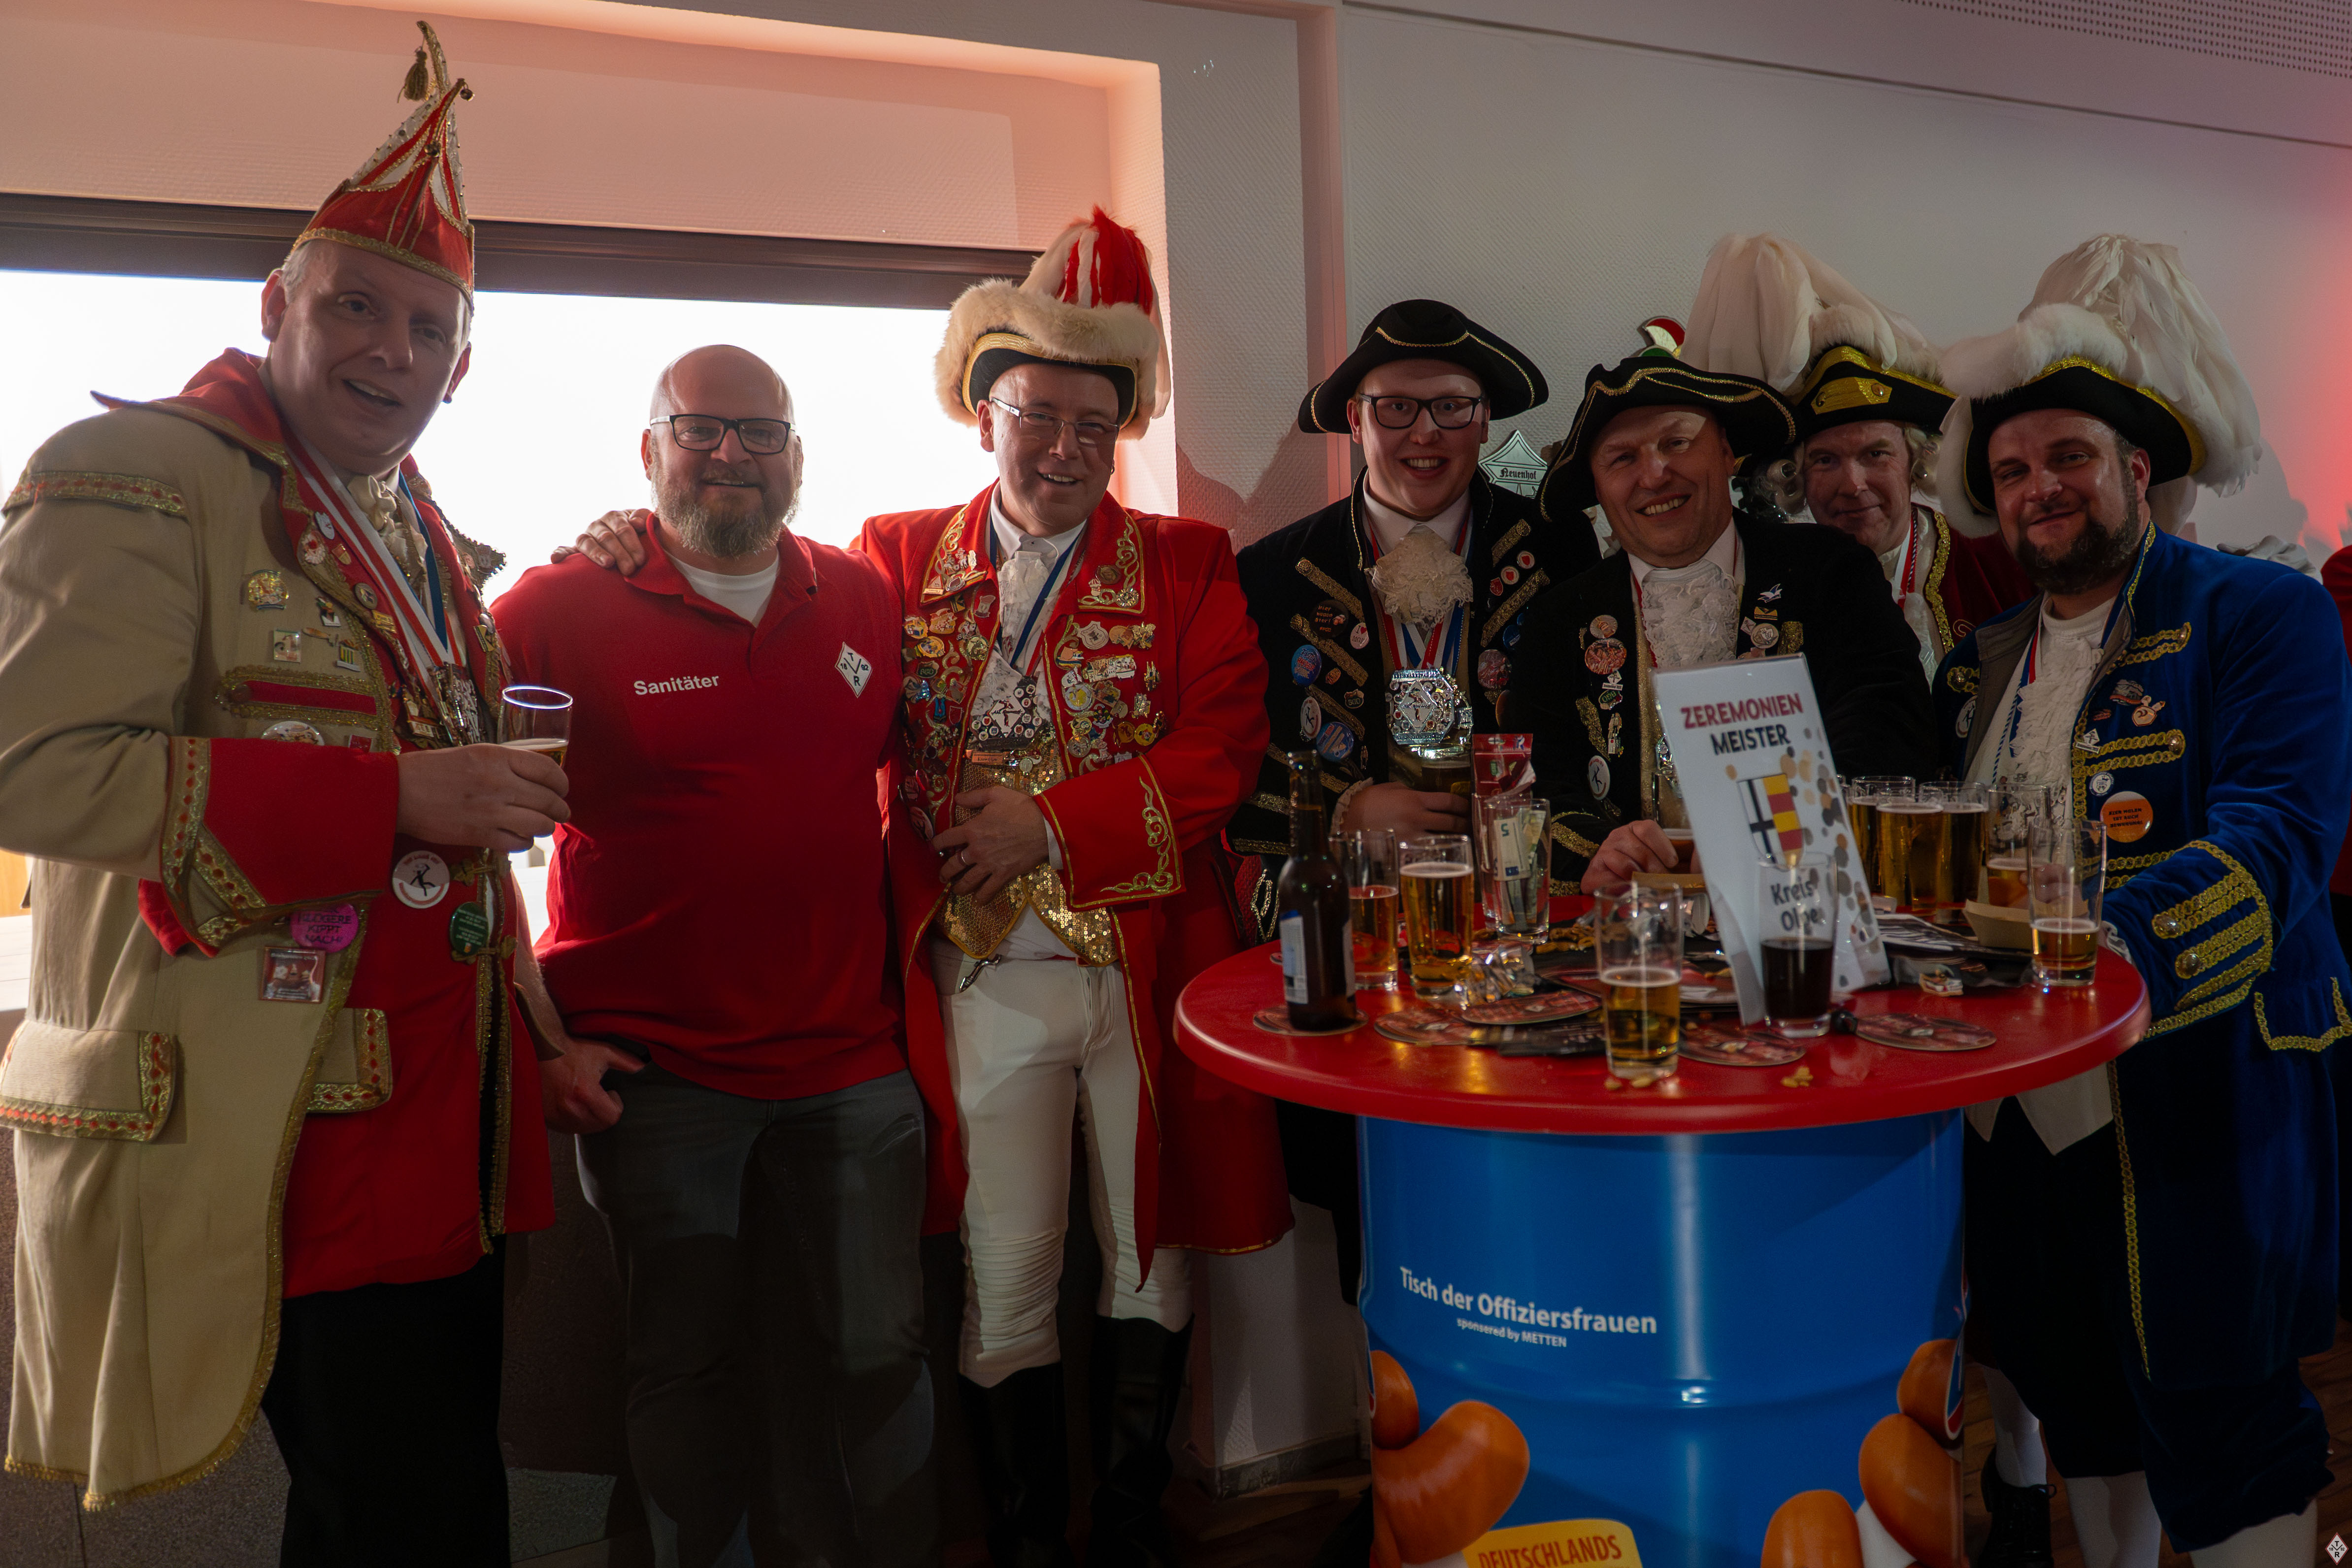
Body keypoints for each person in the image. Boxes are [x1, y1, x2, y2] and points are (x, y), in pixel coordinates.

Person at [563, 209, 1292, 1568]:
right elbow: (746, 572)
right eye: (1037, 416)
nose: (1064, 448)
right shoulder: (893, 558)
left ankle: (1133, 1534)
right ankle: (1023, 1539)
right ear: (984, 415)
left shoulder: (1187, 561)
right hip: (975, 975)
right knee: (1003, 1276)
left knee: (1150, 1261)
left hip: (1144, 972)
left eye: (1093, 424)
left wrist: (1049, 828)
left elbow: (1221, 748)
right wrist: (636, 539)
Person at [0, 27, 556, 1564]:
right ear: (275, 307)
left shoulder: (418, 529)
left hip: (441, 1127)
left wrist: (542, 1035)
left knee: (422, 1510)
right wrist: (392, 797)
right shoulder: (134, 470)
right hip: (275, 1138)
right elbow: (31, 766)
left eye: (428, 327)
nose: (392, 351)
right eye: (356, 307)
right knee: (411, 1518)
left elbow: (462, 828)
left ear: (462, 363)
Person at [1935, 234, 2350, 1568]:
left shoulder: (2262, 613)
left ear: (2133, 468)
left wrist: (2105, 947)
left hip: (2201, 1098)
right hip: (2014, 1121)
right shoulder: (1976, 662)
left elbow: (2276, 838)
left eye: (2067, 456)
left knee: (2229, 1431)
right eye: (2011, 472)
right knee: (2084, 1412)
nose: (2039, 487)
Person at [492, 346, 931, 1567]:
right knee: (682, 1364)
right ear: (650, 451)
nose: (730, 452)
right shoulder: (548, 611)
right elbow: (471, 847)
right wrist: (543, 1039)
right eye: (698, 430)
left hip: (850, 1062)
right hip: (656, 1076)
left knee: (881, 1349)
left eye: (758, 431)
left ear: (797, 456)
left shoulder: (864, 596)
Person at [1502, 328, 1937, 891]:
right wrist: (1600, 851)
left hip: (1799, 900)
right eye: (1622, 458)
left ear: (1727, 453)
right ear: (1597, 487)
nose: (1653, 474)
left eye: (1676, 442)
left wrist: (1775, 825)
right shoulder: (1560, 616)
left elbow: (1888, 724)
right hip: (1632, 919)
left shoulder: (1828, 570)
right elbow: (1537, 781)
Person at [1684, 233, 2033, 676]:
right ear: (1794, 479)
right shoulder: (1761, 587)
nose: (1852, 485)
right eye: (1824, 460)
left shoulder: (2004, 561)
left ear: (1915, 461)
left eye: (1875, 454)